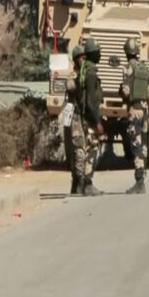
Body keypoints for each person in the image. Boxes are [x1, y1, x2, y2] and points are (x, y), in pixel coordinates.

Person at [120, 38, 149, 194]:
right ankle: (142, 179)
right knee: (143, 146)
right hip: (145, 110)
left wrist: (121, 92)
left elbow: (126, 93)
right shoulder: (143, 69)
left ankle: (139, 182)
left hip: (134, 110)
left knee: (136, 144)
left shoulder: (128, 68)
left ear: (127, 53)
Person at [79, 37, 105, 196]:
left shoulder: (86, 68)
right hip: (90, 118)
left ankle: (85, 184)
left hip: (87, 117)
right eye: (98, 52)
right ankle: (88, 184)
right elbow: (90, 101)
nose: (100, 55)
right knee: (91, 150)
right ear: (93, 53)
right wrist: (97, 122)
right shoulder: (91, 72)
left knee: (90, 149)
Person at [66, 45, 85, 194]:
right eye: (81, 57)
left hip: (85, 116)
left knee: (86, 149)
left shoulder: (87, 74)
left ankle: (83, 180)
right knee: (78, 149)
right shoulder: (74, 75)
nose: (84, 60)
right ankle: (78, 181)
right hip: (76, 116)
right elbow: (70, 86)